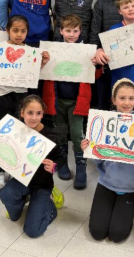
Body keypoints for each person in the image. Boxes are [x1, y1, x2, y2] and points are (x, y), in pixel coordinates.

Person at [82, 79, 134, 243]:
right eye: (122, 98)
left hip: (131, 185)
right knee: (97, 232)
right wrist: (89, 149)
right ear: (114, 100)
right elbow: (98, 161)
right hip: (107, 182)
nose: (126, 103)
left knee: (117, 234)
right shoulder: (105, 121)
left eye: (131, 98)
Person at [0, 15, 50, 193]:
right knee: (0, 133)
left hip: (21, 96)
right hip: (0, 95)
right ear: (7, 30)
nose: (19, 34)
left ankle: (15, 168)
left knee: (19, 134)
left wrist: (43, 63)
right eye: (15, 30)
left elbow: (32, 73)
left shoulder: (30, 51)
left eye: (23, 31)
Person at [0, 95, 65, 238]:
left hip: (42, 185)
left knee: (33, 231)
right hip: (22, 180)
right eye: (30, 113)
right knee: (7, 198)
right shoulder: (15, 130)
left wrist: (54, 166)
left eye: (38, 113)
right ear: (22, 113)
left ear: (42, 114)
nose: (34, 117)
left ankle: (50, 204)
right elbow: (2, 146)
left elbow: (60, 158)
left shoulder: (49, 135)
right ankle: (22, 204)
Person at [42, 15, 92, 189]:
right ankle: (62, 162)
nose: (72, 34)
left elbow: (94, 75)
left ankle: (81, 166)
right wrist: (43, 61)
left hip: (77, 101)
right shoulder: (52, 49)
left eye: (75, 31)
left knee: (77, 134)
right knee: (60, 133)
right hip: (57, 100)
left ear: (80, 31)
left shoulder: (87, 51)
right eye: (68, 30)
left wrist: (96, 64)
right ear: (61, 31)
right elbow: (43, 71)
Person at [100, 0, 134, 114]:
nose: (130, 9)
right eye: (126, 7)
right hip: (120, 82)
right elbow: (107, 53)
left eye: (133, 6)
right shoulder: (114, 31)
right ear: (119, 11)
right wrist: (100, 51)